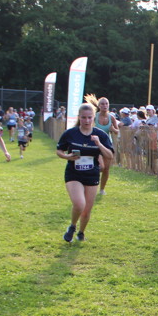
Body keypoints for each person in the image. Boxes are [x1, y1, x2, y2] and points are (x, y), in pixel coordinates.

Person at [56, 103, 114, 242]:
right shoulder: (71, 133)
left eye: (89, 117)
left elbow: (110, 155)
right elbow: (59, 150)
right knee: (79, 204)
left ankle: (81, 233)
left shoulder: (100, 135)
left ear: (94, 118)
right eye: (83, 117)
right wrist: (67, 157)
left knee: (87, 210)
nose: (87, 121)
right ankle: (72, 226)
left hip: (91, 174)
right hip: (74, 173)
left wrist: (99, 144)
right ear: (79, 117)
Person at [93, 97, 119, 196]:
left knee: (106, 169)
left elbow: (117, 131)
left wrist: (113, 129)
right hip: (95, 144)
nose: (105, 106)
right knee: (101, 167)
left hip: (107, 144)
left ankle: (102, 189)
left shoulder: (111, 118)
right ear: (99, 106)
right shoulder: (94, 116)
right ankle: (92, 184)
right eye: (102, 104)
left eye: (106, 104)